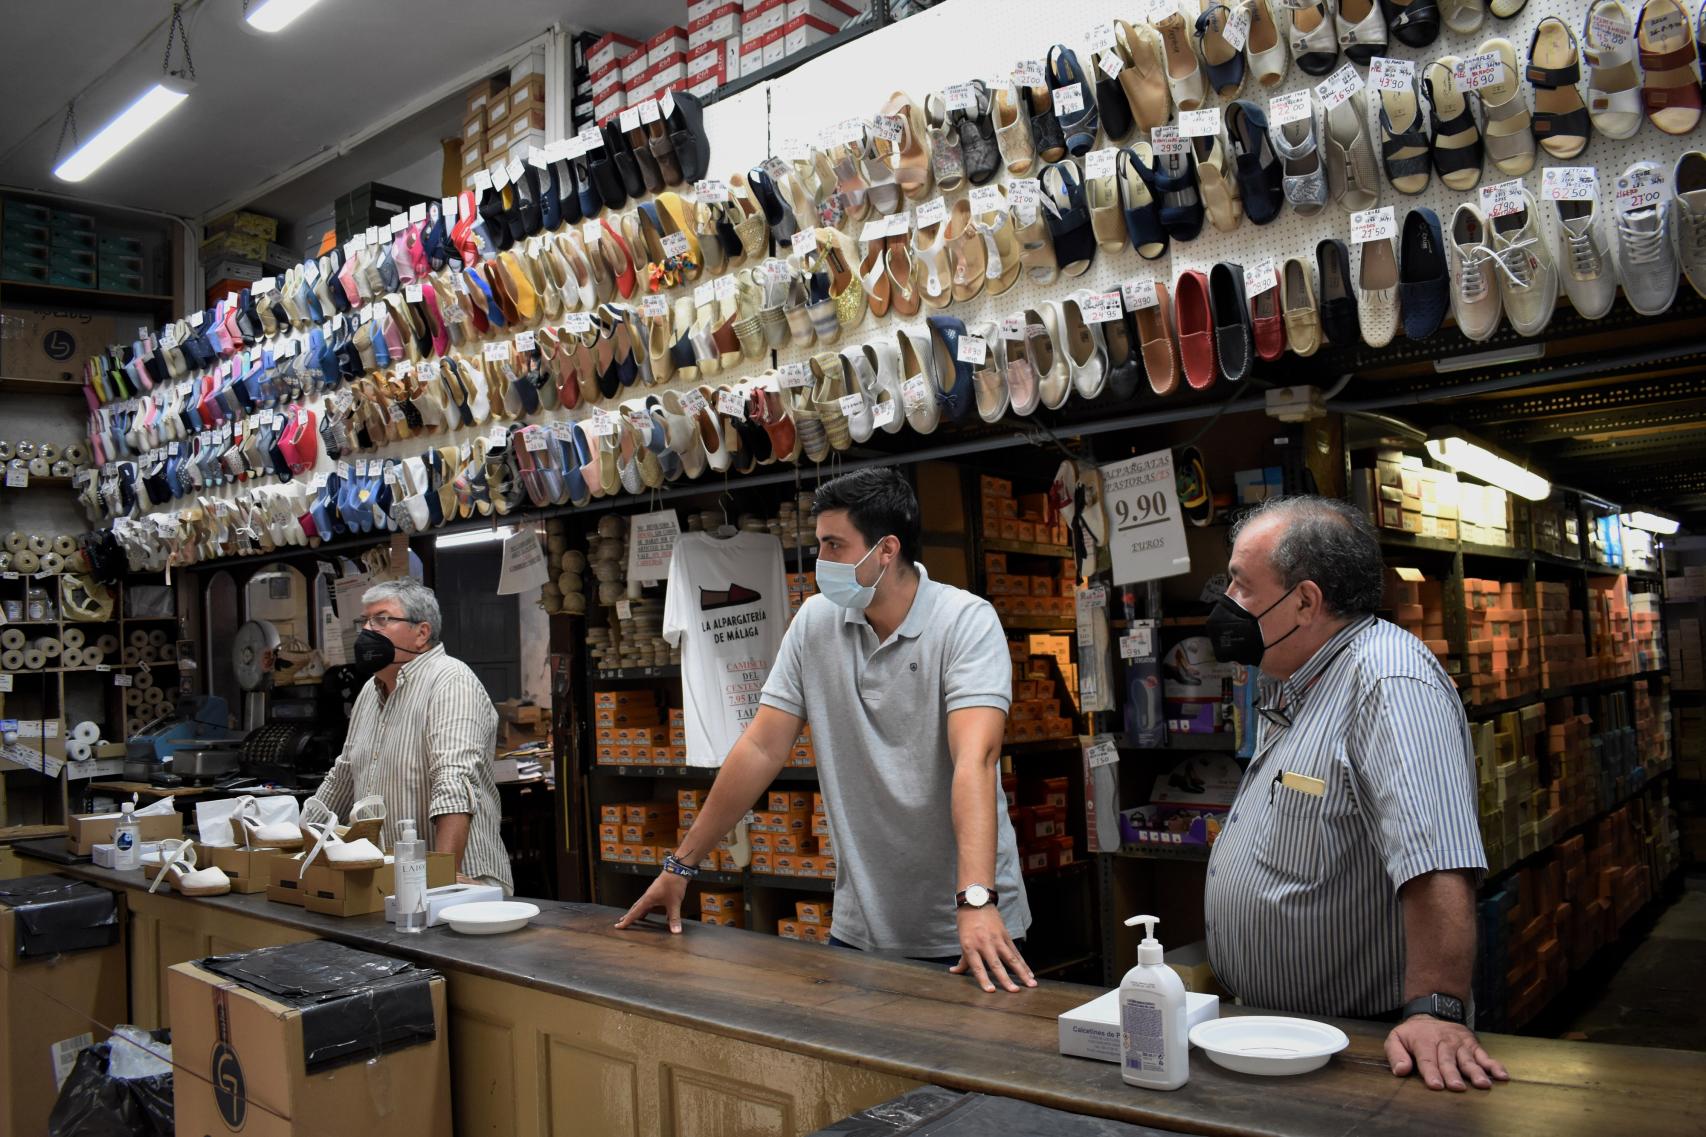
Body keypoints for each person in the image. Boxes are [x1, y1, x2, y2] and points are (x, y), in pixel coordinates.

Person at [618, 468, 1035, 993]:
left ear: (886, 550)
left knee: (970, 1072)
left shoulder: (966, 623)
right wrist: (680, 866)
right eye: (819, 546)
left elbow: (974, 761)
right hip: (861, 926)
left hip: (964, 925)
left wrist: (976, 898)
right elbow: (761, 747)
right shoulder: (816, 622)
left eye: (835, 546)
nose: (822, 563)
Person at [1202, 495, 1509, 1093]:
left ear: (1306, 601)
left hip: (1365, 1051)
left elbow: (1436, 858)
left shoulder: (1388, 682)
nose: (1227, 606)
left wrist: (1435, 1012)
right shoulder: (1301, 678)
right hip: (1283, 1035)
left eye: (1242, 587)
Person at [305, 578, 514, 894]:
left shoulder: (451, 682)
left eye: (382, 619)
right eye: (365, 620)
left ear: (422, 633)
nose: (367, 631)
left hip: (459, 885)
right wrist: (300, 843)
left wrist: (441, 879)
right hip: (391, 883)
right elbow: (342, 777)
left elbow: (454, 782)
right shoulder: (368, 692)